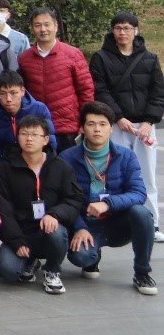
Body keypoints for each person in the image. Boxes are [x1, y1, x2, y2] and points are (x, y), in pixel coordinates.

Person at [62, 102, 156, 294]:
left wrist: (107, 203)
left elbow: (139, 193)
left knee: (143, 214)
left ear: (111, 129)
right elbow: (63, 199)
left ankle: (142, 273)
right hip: (86, 223)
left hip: (116, 222)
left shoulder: (126, 156)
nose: (97, 129)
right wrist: (79, 227)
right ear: (82, 128)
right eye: (91, 124)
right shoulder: (67, 158)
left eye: (103, 124)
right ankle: (92, 258)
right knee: (81, 257)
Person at [88, 11, 163, 243]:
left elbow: (158, 92)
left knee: (147, 174)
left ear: (136, 31)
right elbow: (100, 90)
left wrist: (149, 121)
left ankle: (151, 222)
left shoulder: (149, 58)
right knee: (115, 174)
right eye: (118, 28)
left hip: (144, 127)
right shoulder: (100, 58)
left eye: (127, 28)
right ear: (113, 31)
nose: (123, 32)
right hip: (116, 126)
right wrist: (118, 117)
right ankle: (118, 222)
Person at [0, 114, 83, 294]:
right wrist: (16, 242)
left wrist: (54, 214)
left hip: (48, 229)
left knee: (57, 233)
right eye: (24, 134)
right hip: (21, 232)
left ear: (46, 139)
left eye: (35, 134)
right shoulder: (5, 169)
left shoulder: (61, 167)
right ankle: (30, 261)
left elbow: (74, 199)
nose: (29, 139)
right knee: (8, 271)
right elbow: (4, 209)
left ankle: (52, 270)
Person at [16, 7, 93, 149]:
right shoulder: (25, 58)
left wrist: (85, 121)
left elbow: (86, 90)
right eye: (38, 25)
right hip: (37, 128)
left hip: (68, 127)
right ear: (32, 28)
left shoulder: (73, 54)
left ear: (55, 26)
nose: (43, 29)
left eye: (47, 24)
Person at [0, 71, 57, 180]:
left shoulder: (39, 110)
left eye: (13, 93)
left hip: (38, 167)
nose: (8, 99)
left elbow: (50, 146)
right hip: (8, 171)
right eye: (3, 93)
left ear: (22, 91)